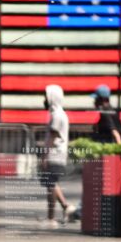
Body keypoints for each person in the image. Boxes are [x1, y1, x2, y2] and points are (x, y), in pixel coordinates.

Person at [42, 84, 76, 227]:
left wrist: (44, 156)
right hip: (58, 155)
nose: (44, 100)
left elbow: (52, 137)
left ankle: (51, 219)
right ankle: (66, 208)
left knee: (50, 184)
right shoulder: (60, 114)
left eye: (46, 97)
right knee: (52, 183)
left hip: (54, 155)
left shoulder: (57, 115)